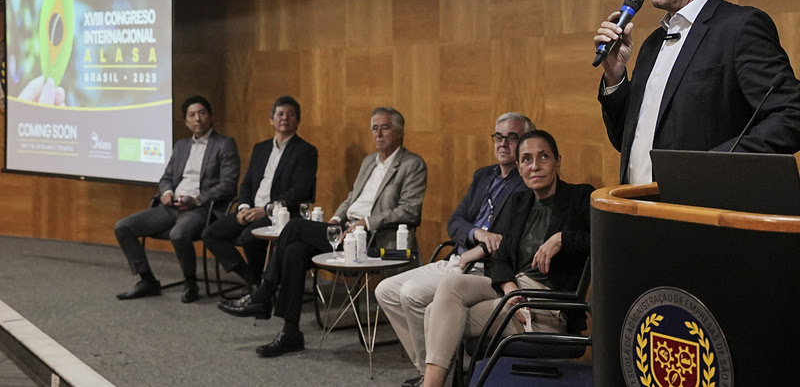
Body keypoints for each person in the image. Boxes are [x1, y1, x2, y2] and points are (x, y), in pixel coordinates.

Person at [594, 0, 800, 184]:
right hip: (639, 212)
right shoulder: (652, 43)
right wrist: (615, 75)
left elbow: (791, 114)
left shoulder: (740, 27)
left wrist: (709, 167)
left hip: (703, 213)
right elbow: (626, 142)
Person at [218, 107, 427, 358]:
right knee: (295, 250)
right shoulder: (369, 161)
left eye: (385, 128)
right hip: (345, 230)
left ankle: (264, 292)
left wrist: (366, 222)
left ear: (399, 132)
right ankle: (290, 332)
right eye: (374, 128)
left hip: (373, 238)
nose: (378, 133)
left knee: (294, 227)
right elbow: (352, 197)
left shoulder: (412, 164)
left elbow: (409, 211)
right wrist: (338, 217)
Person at [421, 130, 592, 387]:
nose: (534, 166)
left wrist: (561, 239)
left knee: (434, 313)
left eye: (543, 157)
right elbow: (498, 257)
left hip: (547, 306)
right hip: (513, 292)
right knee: (449, 286)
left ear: (558, 162)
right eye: (526, 159)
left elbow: (604, 241)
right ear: (519, 166)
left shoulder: (580, 197)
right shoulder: (518, 201)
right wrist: (509, 287)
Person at [375, 112, 534, 387]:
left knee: (411, 294)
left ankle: (434, 377)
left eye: (512, 138)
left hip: (484, 268)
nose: (503, 143)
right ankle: (432, 369)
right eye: (499, 137)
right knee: (385, 290)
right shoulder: (484, 175)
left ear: (524, 144)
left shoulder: (526, 183)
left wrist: (479, 248)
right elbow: (455, 221)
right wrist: (477, 233)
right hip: (458, 257)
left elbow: (508, 239)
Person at [114, 95, 240, 303]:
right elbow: (166, 178)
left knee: (179, 234)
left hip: (201, 208)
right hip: (171, 206)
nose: (197, 119)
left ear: (210, 117)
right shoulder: (181, 145)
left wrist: (197, 200)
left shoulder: (224, 144)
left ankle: (190, 282)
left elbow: (228, 184)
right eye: (192, 115)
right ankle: (148, 280)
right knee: (123, 227)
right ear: (186, 121)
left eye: (202, 113)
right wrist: (166, 193)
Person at [202, 95, 318, 289]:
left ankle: (260, 288)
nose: (285, 118)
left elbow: (299, 192)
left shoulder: (306, 151)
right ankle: (253, 280)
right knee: (210, 233)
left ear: (297, 121)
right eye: (280, 114)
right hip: (250, 209)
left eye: (291, 115)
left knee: (250, 237)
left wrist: (266, 209)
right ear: (271, 120)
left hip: (281, 213)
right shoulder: (261, 148)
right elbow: (247, 183)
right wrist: (243, 207)